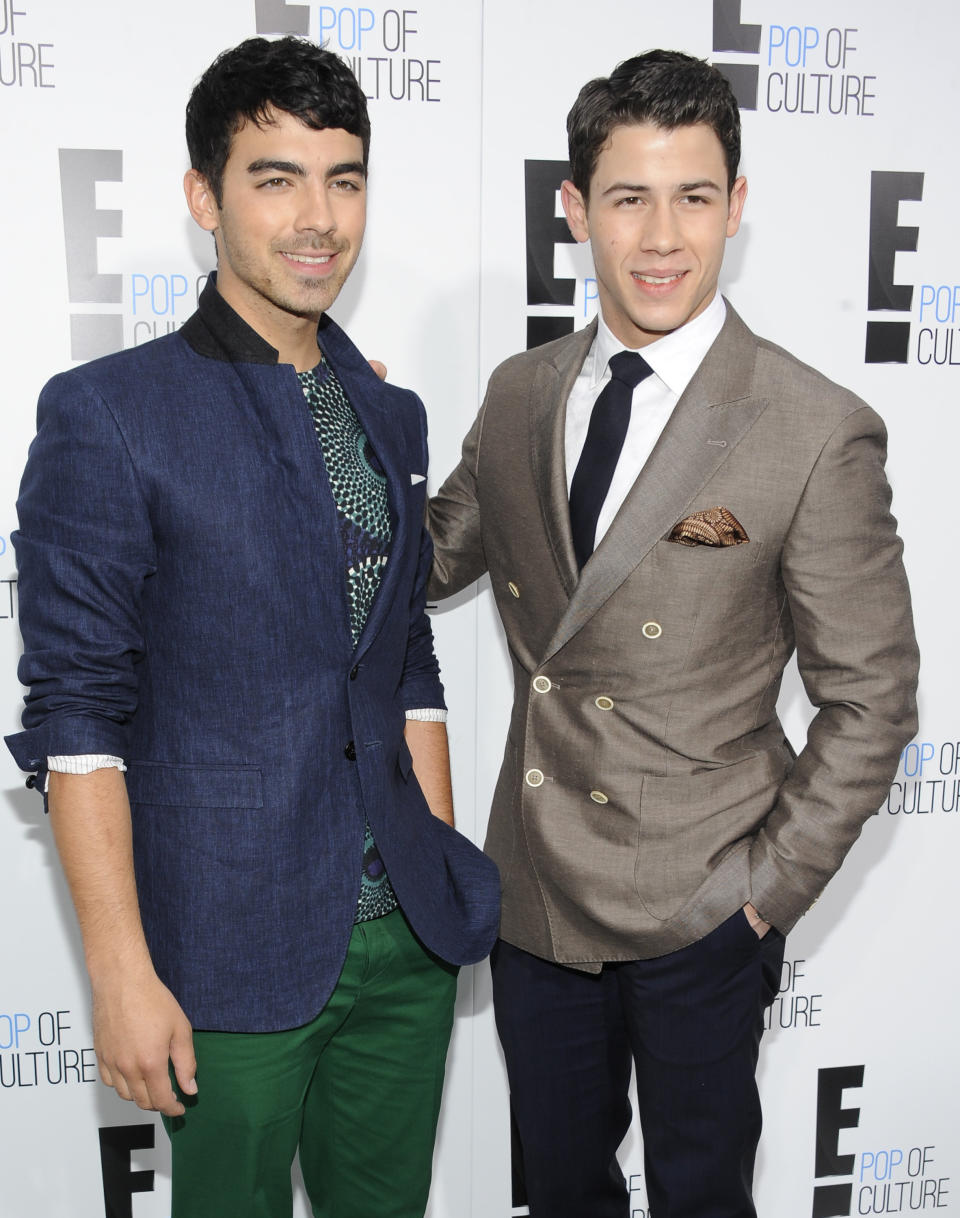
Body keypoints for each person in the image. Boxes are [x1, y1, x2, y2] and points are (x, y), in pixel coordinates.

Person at [6, 35, 499, 1218]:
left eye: (345, 177)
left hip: (404, 948)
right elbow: (77, 716)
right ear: (204, 198)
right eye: (275, 179)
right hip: (224, 948)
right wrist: (121, 974)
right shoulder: (109, 414)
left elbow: (403, 653)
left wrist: (431, 850)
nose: (318, 217)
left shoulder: (386, 408)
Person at [428, 50, 918, 1218]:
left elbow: (874, 698)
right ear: (574, 209)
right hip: (538, 891)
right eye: (627, 198)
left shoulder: (812, 428)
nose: (661, 237)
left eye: (694, 197)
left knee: (702, 1199)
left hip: (702, 902)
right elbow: (420, 559)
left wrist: (761, 895)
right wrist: (320, 436)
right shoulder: (520, 393)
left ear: (737, 207)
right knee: (559, 1195)